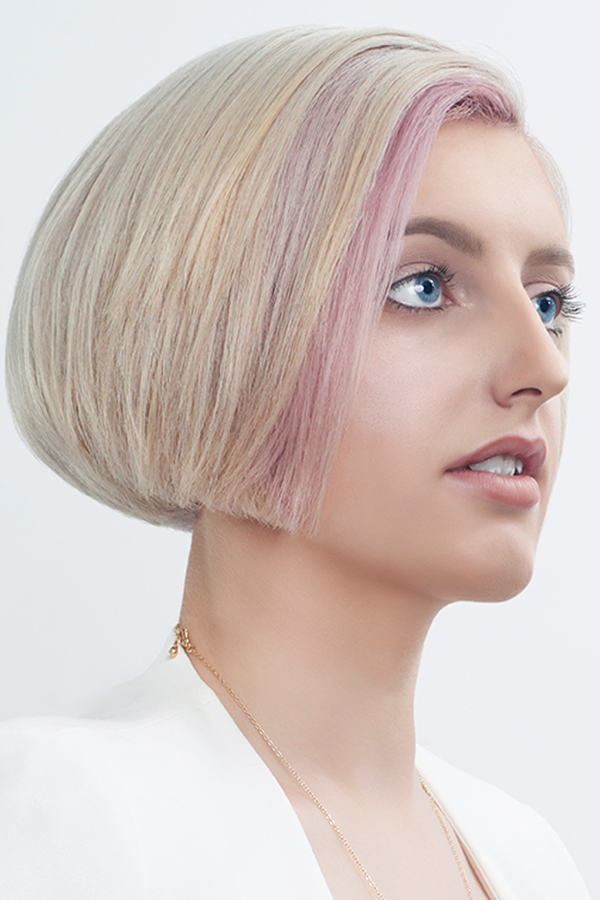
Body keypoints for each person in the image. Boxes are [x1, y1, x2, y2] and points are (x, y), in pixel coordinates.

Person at [0, 25, 591, 900]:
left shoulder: (533, 858)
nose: (544, 366)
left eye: (548, 302)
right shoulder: (60, 820)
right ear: (212, 329)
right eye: (423, 286)